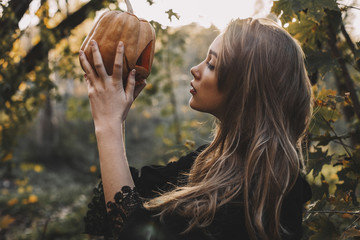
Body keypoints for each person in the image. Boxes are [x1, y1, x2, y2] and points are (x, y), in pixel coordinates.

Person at [79, 17, 313, 240]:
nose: (195, 69)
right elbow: (127, 199)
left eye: (211, 64)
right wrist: (116, 118)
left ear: (246, 90)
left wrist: (108, 124)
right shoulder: (210, 163)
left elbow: (130, 230)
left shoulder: (260, 193)